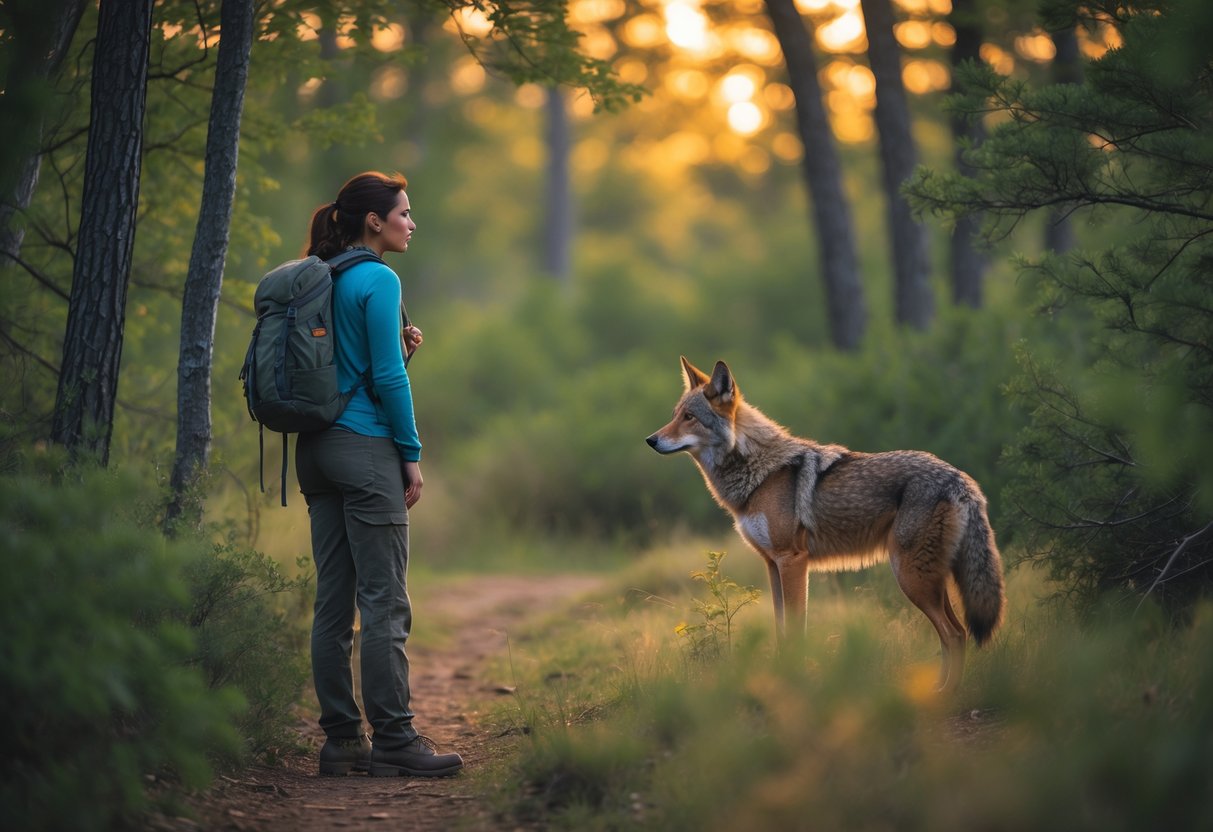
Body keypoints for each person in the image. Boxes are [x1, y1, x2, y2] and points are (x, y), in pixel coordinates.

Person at [296, 171, 463, 778]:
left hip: (315, 451)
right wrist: (410, 453)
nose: (411, 223)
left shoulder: (323, 273)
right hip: (365, 449)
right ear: (375, 222)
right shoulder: (380, 279)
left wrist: (401, 349)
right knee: (386, 603)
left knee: (333, 607)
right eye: (404, 213)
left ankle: (342, 742)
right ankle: (394, 737)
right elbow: (387, 382)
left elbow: (352, 364)